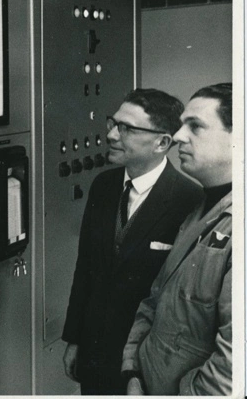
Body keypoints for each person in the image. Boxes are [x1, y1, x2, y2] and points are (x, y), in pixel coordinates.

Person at [62, 88, 204, 394]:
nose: (112, 135)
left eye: (126, 128)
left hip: (145, 363)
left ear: (162, 142)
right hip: (94, 352)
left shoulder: (190, 200)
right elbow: (85, 267)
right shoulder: (103, 186)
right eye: (113, 123)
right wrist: (74, 339)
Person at [122, 83, 233, 395]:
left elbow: (232, 369)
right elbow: (154, 301)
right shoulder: (198, 211)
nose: (179, 136)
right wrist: (132, 371)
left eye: (195, 126)